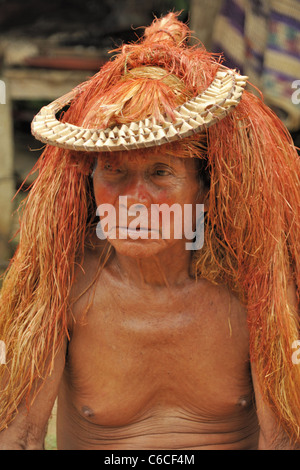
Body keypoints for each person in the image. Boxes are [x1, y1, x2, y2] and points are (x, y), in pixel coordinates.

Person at [0, 12, 299, 450]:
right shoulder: (63, 282)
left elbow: (284, 441)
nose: (133, 201)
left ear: (204, 187)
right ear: (89, 183)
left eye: (160, 173)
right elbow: (19, 436)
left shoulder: (254, 284)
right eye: (113, 172)